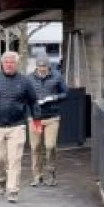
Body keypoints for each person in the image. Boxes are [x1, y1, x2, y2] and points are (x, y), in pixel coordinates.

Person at [0, 51, 39, 203]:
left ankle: (13, 190)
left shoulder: (24, 81)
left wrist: (37, 120)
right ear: (2, 63)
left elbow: (33, 102)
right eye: (6, 62)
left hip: (17, 125)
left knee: (15, 159)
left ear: (16, 64)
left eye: (12, 62)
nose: (9, 65)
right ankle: (1, 179)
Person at [28, 53, 67, 187]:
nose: (42, 69)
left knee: (50, 146)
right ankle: (37, 176)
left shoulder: (57, 76)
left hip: (52, 117)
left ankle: (51, 173)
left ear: (48, 66)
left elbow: (65, 93)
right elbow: (25, 96)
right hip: (35, 118)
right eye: (40, 66)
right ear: (36, 66)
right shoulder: (29, 79)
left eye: (44, 66)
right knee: (35, 147)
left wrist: (54, 97)